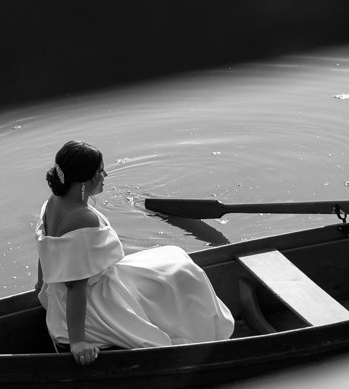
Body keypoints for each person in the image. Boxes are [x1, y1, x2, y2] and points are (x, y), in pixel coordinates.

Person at [37, 141, 239, 364]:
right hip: (96, 300)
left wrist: (40, 289)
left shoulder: (53, 202)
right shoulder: (83, 219)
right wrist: (77, 342)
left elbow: (45, 250)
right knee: (184, 275)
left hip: (81, 286)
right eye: (100, 170)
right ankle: (208, 336)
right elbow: (76, 285)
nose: (105, 174)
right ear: (85, 179)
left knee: (176, 258)